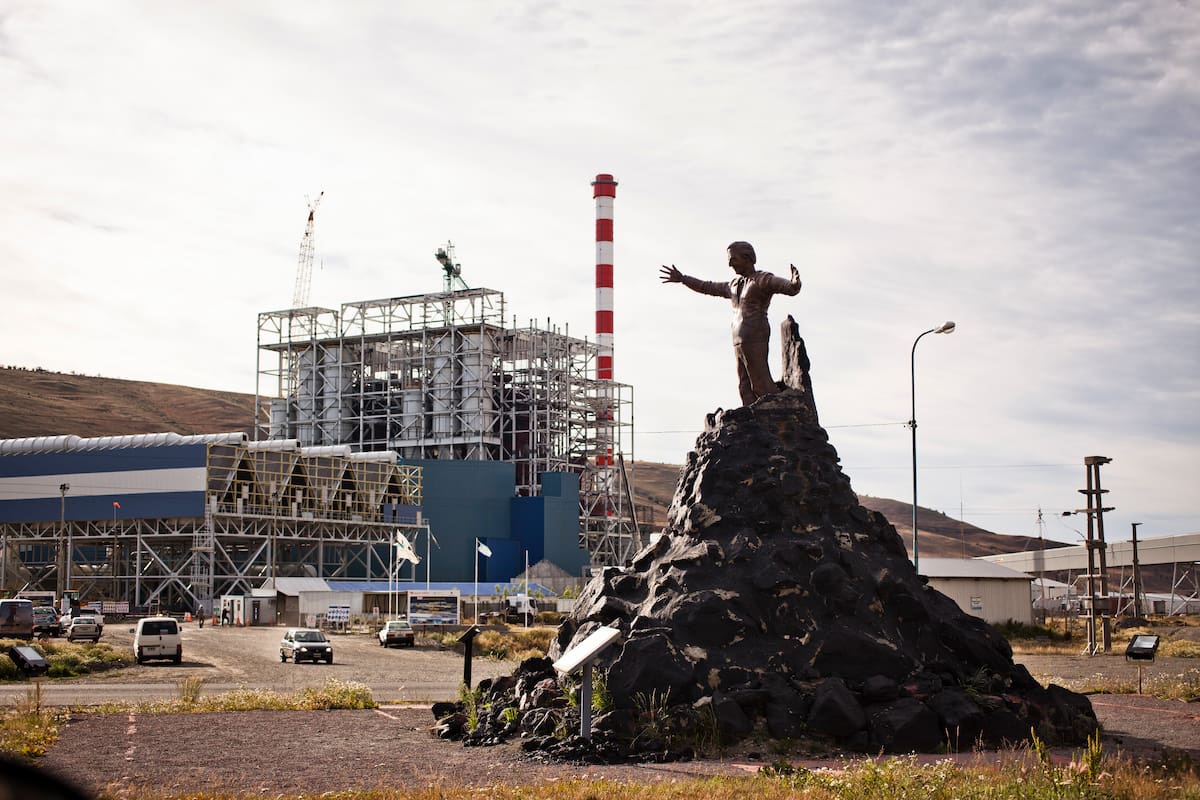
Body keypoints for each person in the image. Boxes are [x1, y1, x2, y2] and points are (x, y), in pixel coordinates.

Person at [660, 241, 801, 406]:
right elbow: (707, 287)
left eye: (733, 259)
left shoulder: (763, 279)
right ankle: (750, 418)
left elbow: (788, 288)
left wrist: (794, 284)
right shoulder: (733, 285)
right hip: (738, 340)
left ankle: (777, 412)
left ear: (748, 258)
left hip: (755, 335)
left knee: (760, 380)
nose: (729, 264)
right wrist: (683, 279)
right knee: (744, 385)